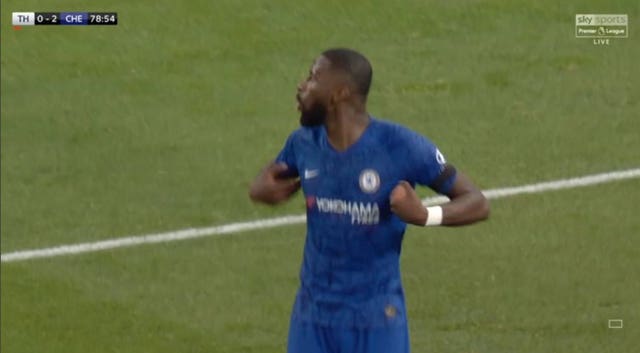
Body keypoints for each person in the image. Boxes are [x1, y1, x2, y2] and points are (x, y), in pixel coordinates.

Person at [249, 48, 489, 353]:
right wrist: (258, 190)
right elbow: (265, 182)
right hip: (312, 317)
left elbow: (477, 202)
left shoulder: (400, 146)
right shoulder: (302, 144)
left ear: (339, 94)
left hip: (376, 320)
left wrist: (424, 216)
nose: (301, 86)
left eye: (312, 78)